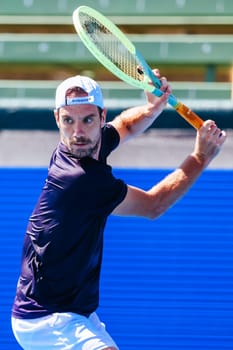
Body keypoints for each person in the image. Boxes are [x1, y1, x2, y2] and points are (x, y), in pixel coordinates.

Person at [11, 71, 226, 350]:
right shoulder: (80, 179)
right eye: (68, 121)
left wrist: (153, 107)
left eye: (87, 120)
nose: (78, 132)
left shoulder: (87, 146)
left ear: (102, 117)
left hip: (76, 312)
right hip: (46, 320)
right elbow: (153, 204)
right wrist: (201, 156)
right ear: (57, 120)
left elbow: (125, 125)